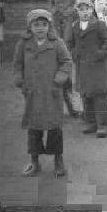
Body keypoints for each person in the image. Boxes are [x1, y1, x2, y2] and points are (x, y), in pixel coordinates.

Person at [14, 9, 73, 177]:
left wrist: (59, 78)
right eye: (36, 25)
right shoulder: (24, 44)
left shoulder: (57, 43)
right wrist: (19, 80)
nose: (40, 28)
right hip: (32, 92)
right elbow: (17, 64)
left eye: (44, 25)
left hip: (52, 92)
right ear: (30, 26)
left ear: (49, 26)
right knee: (34, 126)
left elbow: (66, 62)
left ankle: (58, 159)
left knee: (54, 126)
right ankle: (34, 161)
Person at [68, 0, 107, 138]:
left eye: (87, 9)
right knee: (86, 95)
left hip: (98, 67)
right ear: (77, 11)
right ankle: (91, 123)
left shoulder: (99, 25)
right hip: (82, 66)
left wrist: (99, 54)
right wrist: (75, 54)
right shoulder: (75, 26)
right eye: (81, 10)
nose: (85, 12)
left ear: (92, 9)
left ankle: (102, 125)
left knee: (99, 96)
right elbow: (69, 43)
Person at [49, 0, 78, 118]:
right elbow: (52, 3)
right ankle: (59, 52)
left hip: (67, 17)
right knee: (57, 37)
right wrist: (54, 11)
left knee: (66, 38)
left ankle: (66, 53)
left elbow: (75, 2)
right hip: (57, 18)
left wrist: (69, 11)